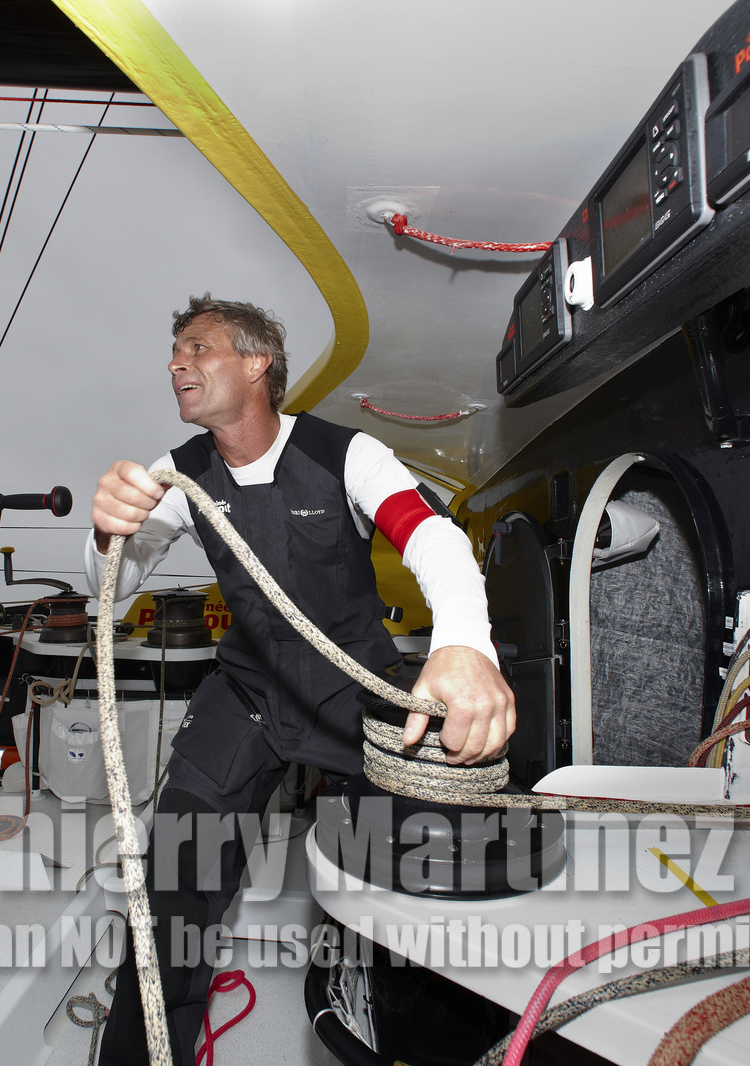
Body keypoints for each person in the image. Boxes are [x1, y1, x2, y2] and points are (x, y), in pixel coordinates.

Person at [87, 295, 514, 1064]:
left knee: (411, 893)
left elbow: (436, 541)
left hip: (355, 696)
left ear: (257, 363)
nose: (177, 362)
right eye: (174, 351)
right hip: (247, 696)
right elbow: (111, 584)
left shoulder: (345, 453)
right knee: (171, 891)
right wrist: (104, 530)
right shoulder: (175, 473)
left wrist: (463, 645)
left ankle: (416, 1039)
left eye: (198, 347)